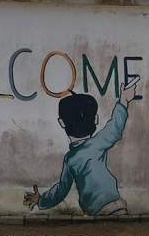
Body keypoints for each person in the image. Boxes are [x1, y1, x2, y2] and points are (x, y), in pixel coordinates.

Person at [24, 79, 139, 216]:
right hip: (116, 205)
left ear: (61, 123)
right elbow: (115, 126)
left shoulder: (70, 159)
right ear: (96, 119)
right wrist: (123, 101)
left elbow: (62, 189)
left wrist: (41, 200)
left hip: (97, 211)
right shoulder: (98, 142)